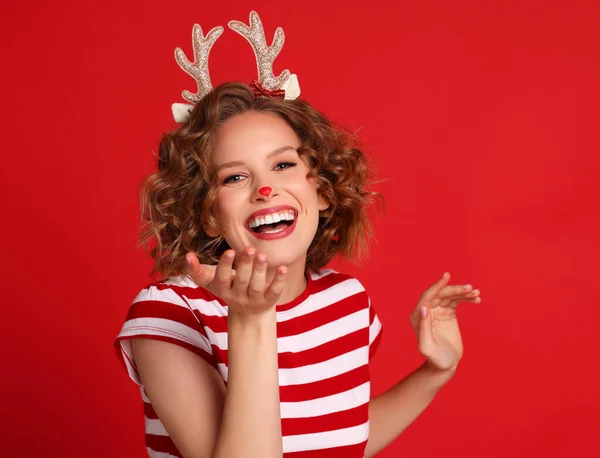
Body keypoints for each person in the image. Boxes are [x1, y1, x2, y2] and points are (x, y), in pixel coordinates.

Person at [114, 11, 483, 458]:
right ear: (210, 216)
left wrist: (435, 372)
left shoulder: (347, 301)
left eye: (284, 164)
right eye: (234, 178)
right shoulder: (169, 315)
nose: (265, 188)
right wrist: (251, 321)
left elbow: (341, 442)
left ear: (323, 190)